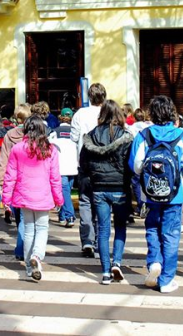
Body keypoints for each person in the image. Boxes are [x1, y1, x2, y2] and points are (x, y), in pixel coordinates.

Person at [130, 95, 183, 293]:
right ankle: (167, 279)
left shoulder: (144, 135)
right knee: (171, 234)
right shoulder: (182, 136)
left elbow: (136, 166)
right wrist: (180, 179)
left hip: (149, 193)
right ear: (171, 112)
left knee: (152, 227)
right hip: (174, 195)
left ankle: (154, 263)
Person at [2, 115, 64, 281]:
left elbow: (10, 176)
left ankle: (29, 268)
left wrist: (6, 198)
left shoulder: (17, 149)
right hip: (43, 195)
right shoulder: (50, 150)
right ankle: (36, 256)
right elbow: (55, 178)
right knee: (42, 228)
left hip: (23, 195)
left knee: (28, 229)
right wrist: (59, 199)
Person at [80, 100, 134, 285]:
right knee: (120, 227)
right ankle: (116, 262)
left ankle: (104, 271)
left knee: (102, 230)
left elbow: (84, 164)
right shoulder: (125, 137)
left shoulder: (90, 137)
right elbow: (131, 164)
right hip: (120, 187)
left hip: (99, 188)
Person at [71, 82, 106, 257]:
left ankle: (87, 240)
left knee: (85, 201)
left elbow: (74, 137)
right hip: (104, 164)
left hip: (84, 162)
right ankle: (100, 239)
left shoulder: (80, 114)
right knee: (101, 201)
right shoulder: (108, 113)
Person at [0, 103, 32, 255]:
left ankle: (21, 246)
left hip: (12, 178)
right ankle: (21, 249)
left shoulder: (9, 135)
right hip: (28, 178)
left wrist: (0, 181)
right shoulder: (32, 135)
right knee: (25, 218)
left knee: (19, 216)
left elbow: (3, 159)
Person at [52, 107, 78, 227]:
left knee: (64, 192)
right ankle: (66, 216)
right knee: (65, 191)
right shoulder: (76, 132)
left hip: (60, 167)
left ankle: (67, 215)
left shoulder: (54, 132)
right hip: (73, 167)